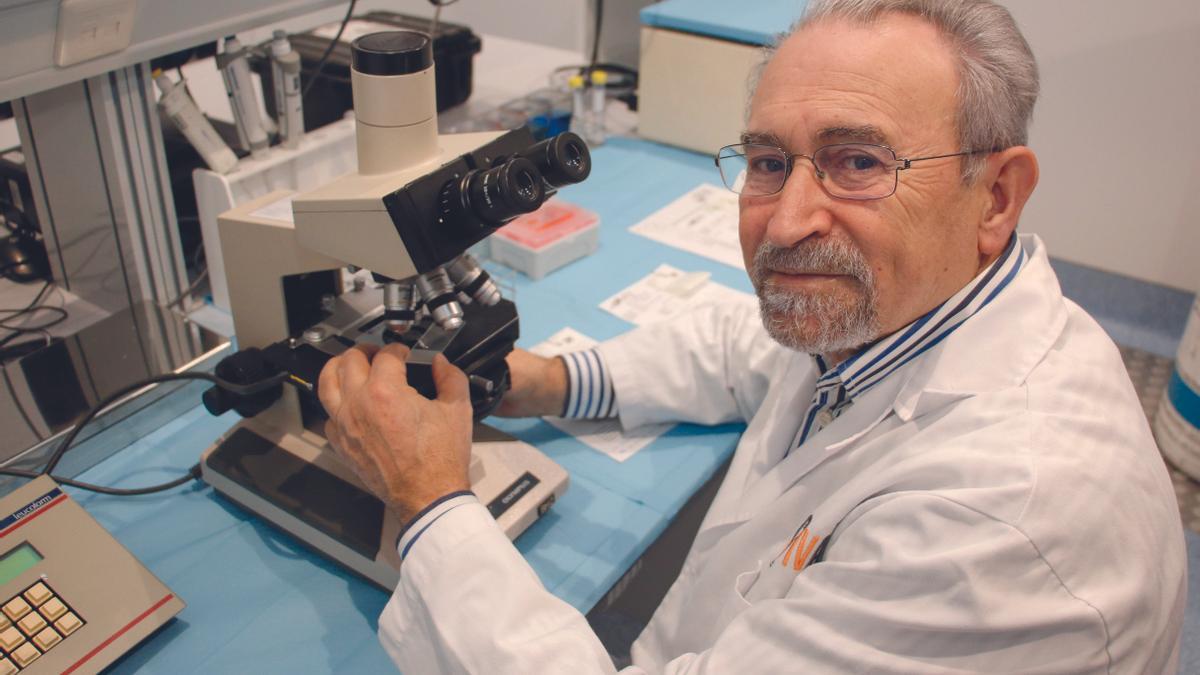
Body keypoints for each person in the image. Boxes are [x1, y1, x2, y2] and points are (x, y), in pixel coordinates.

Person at [317, 0, 1187, 671]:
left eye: (859, 162)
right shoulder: (910, 309)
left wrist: (428, 497)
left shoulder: (1000, 525)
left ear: (995, 196)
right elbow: (748, 351)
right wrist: (538, 379)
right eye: (769, 161)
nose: (790, 219)